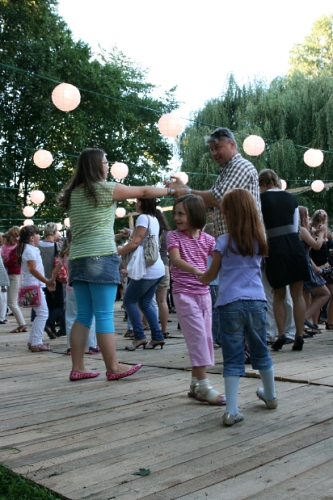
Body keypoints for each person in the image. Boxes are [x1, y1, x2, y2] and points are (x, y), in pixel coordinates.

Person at [57, 147, 174, 381]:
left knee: (83, 315)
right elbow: (142, 190)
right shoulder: (104, 189)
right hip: (100, 256)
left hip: (78, 259)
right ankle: (113, 367)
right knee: (103, 314)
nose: (107, 165)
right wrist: (170, 190)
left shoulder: (74, 194)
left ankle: (78, 367)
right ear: (95, 165)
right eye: (104, 161)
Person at [199, 189, 277, 426]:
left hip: (229, 303)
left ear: (229, 215)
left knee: (232, 356)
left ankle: (232, 410)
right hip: (256, 301)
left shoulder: (222, 242)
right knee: (260, 350)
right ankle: (271, 395)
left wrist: (199, 276)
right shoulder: (259, 239)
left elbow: (212, 274)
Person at [167, 194, 226, 406]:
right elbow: (175, 259)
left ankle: (194, 384)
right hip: (183, 294)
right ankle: (203, 384)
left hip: (203, 294)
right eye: (175, 213)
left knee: (204, 336)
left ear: (195, 214)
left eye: (181, 213)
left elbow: (222, 257)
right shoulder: (173, 236)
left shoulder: (208, 239)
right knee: (198, 336)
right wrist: (196, 270)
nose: (177, 217)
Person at [166, 127, 260, 237]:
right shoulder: (227, 170)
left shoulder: (241, 165)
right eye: (211, 149)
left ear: (232, 144)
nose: (214, 153)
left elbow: (218, 198)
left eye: (217, 147)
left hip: (244, 241)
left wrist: (185, 192)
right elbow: (207, 205)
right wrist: (183, 191)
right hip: (235, 242)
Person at [259, 169, 309, 352]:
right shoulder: (291, 198)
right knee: (298, 294)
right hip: (294, 246)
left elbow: (260, 226)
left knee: (278, 295)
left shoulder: (261, 199)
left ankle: (281, 334)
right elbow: (295, 225)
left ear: (262, 184)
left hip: (275, 248)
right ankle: (299, 335)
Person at [118, 198, 165, 350]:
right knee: (145, 303)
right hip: (157, 269)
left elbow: (136, 242)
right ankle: (157, 336)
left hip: (147, 270)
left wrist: (115, 252)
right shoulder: (154, 219)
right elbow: (143, 235)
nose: (135, 204)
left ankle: (139, 336)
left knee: (129, 301)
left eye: (138, 201)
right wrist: (130, 232)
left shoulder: (143, 217)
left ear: (143, 203)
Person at [16, 225, 55, 352]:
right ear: (32, 238)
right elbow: (32, 269)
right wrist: (47, 281)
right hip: (34, 285)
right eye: (38, 234)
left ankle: (33, 340)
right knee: (43, 313)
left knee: (40, 313)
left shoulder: (29, 249)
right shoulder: (30, 250)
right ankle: (36, 342)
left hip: (33, 285)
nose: (40, 237)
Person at [298, 206, 330, 335]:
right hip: (305, 265)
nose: (309, 217)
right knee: (325, 293)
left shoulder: (300, 230)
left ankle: (301, 329)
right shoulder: (301, 230)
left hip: (302, 263)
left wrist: (314, 234)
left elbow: (308, 248)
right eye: (307, 215)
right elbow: (317, 246)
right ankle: (304, 318)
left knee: (305, 297)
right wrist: (321, 233)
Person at [38, 222, 63, 339]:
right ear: (54, 232)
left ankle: (51, 330)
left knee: (49, 305)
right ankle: (49, 323)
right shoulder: (57, 246)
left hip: (42, 278)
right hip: (55, 278)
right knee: (59, 306)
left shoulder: (38, 245)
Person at [1, 228, 27, 332]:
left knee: (12, 302)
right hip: (14, 275)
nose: (10, 238)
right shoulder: (19, 247)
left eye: (11, 236)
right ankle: (22, 324)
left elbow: (11, 261)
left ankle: (22, 324)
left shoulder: (19, 248)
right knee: (12, 302)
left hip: (15, 275)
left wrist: (3, 262)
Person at [155, 208, 171, 338]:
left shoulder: (150, 231)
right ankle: (164, 330)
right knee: (162, 300)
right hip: (164, 266)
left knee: (146, 300)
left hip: (151, 266)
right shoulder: (168, 234)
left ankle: (146, 326)